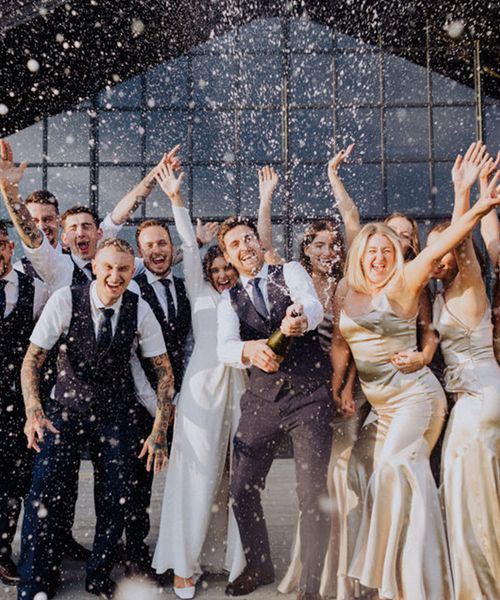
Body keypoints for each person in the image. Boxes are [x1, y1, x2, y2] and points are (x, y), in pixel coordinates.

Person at [331, 172, 500, 599]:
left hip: (420, 398)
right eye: (372, 251)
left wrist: (474, 204)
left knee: (392, 470)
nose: (380, 258)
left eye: (388, 250)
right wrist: (341, 384)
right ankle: (416, 580)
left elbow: (448, 245)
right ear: (360, 255)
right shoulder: (349, 291)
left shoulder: (408, 283)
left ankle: (412, 582)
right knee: (395, 479)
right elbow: (340, 342)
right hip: (385, 406)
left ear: (399, 255)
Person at [16, 237, 174, 600]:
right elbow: (32, 360)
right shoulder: (66, 300)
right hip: (64, 410)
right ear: (96, 268)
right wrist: (33, 412)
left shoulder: (140, 309)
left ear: (131, 270)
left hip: (115, 411)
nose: (115, 276)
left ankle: (99, 577)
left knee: (116, 495)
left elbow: (164, 372)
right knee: (45, 491)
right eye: (108, 267)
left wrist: (159, 431)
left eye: (122, 269)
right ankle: (37, 581)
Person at [217, 216, 333, 600]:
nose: (245, 247)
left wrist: (300, 318)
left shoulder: (291, 271)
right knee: (240, 487)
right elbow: (225, 348)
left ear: (259, 243)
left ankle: (312, 588)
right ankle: (259, 563)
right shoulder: (228, 300)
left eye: (249, 238)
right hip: (262, 403)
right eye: (236, 244)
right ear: (229, 257)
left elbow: (312, 305)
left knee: (312, 492)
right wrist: (250, 350)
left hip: (309, 397)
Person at [152, 161, 247, 599]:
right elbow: (189, 246)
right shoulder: (200, 293)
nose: (224, 273)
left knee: (237, 479)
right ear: (209, 272)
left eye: (230, 266)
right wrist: (175, 200)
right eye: (217, 268)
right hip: (203, 389)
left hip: (243, 388)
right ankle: (182, 567)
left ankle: (232, 561)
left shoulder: (251, 292)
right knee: (196, 474)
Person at [428, 141, 500, 600]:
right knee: (461, 490)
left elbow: (470, 246)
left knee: (472, 496)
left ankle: (483, 586)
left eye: (444, 249)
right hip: (468, 401)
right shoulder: (438, 293)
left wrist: (464, 197)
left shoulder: (469, 285)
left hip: (480, 399)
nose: (436, 257)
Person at [0, 221, 48, 587]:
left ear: (11, 248)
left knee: (12, 482)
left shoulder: (37, 290)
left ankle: (2, 552)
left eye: (1, 244)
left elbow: (41, 348)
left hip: (15, 403)